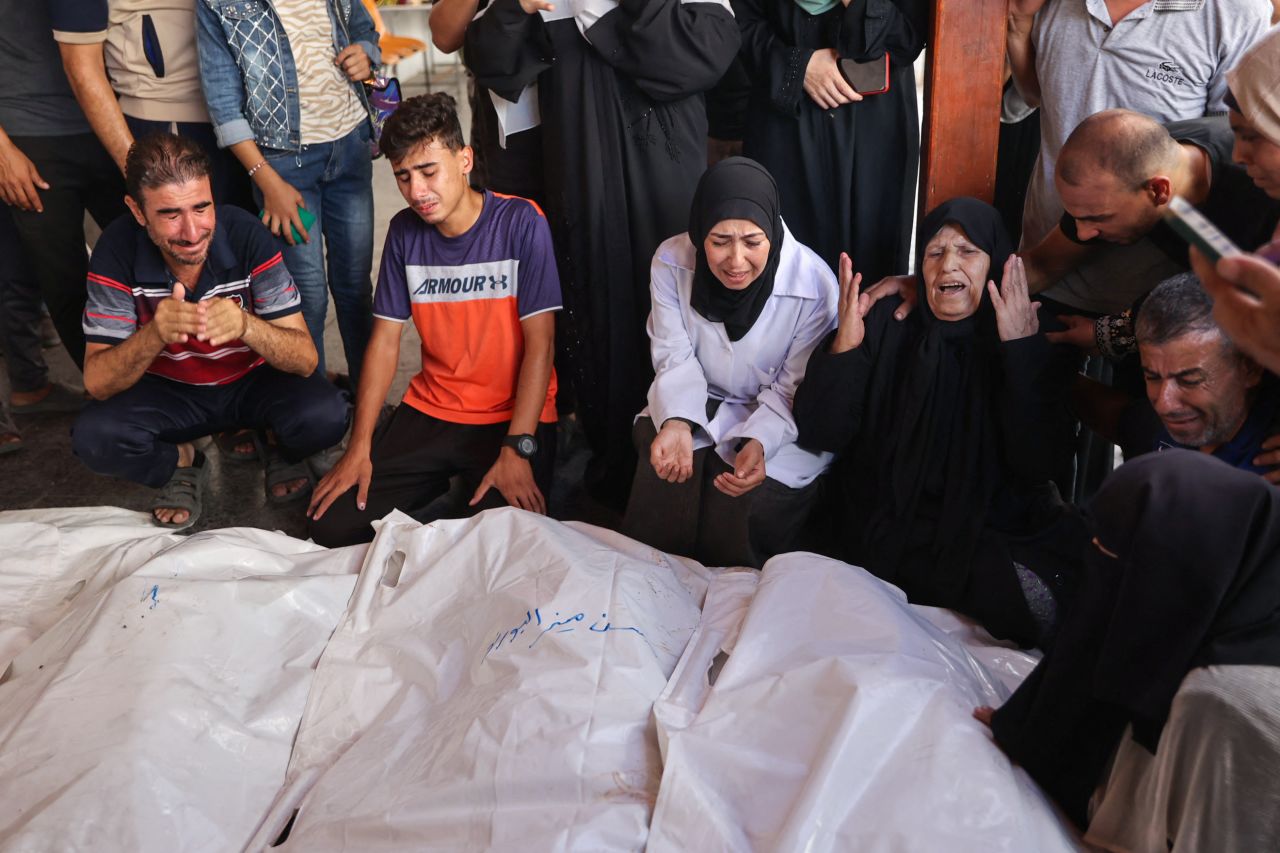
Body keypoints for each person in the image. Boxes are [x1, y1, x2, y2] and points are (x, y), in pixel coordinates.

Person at [464, 0, 740, 509]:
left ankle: (692, 458)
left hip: (663, 167)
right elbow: (491, 60)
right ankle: (618, 461)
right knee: (597, 313)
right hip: (580, 168)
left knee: (677, 301)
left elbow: (710, 51)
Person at [794, 198, 1078, 646]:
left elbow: (1040, 464)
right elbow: (821, 431)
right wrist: (844, 348)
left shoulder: (1026, 327)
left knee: (1038, 614)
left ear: (994, 264)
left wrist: (1019, 352)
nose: (948, 264)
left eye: (967, 251)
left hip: (982, 529)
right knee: (817, 605)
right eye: (934, 252)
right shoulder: (890, 321)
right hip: (882, 520)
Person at [981, 450, 1280, 834]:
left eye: (1118, 557)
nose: (1104, 577)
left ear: (1176, 568)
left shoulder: (1224, 697)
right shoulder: (1238, 591)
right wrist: (1025, 729)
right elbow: (1091, 646)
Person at [308, 94, 560, 548]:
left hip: (511, 416)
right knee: (330, 524)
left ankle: (471, 479)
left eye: (428, 171)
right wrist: (358, 446)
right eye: (403, 177)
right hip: (434, 408)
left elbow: (540, 345)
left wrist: (518, 446)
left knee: (500, 545)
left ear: (464, 159)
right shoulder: (405, 232)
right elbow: (385, 343)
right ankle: (448, 478)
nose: (417, 191)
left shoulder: (522, 221)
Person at [71, 133, 348, 529]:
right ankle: (184, 460)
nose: (192, 231)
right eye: (169, 214)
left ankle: (273, 443)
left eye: (202, 207)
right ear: (137, 211)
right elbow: (97, 382)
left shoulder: (245, 233)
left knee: (327, 414)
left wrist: (245, 325)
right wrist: (154, 334)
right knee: (95, 437)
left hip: (251, 382)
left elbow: (305, 360)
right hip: (171, 394)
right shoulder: (115, 251)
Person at [621, 157, 837, 568]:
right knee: (663, 458)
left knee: (751, 499)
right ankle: (655, 587)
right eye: (719, 241)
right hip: (701, 397)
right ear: (700, 231)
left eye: (753, 242)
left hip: (779, 413)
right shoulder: (670, 261)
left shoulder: (815, 286)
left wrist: (759, 440)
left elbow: (795, 386)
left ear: (772, 232)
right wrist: (678, 421)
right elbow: (674, 354)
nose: (736, 261)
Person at [195, 0, 380, 385]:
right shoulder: (216, 3)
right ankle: (317, 411)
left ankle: (369, 404)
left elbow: (363, 27)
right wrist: (267, 181)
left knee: (355, 288)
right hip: (284, 170)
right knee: (305, 298)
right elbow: (224, 106)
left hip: (351, 151)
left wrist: (367, 53)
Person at [731, 0, 926, 282]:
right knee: (787, 265)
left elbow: (907, 38)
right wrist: (800, 67)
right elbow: (740, 27)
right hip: (785, 117)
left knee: (870, 271)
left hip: (875, 123)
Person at [0, 0, 127, 369]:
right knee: (65, 283)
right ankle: (106, 397)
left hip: (115, 123)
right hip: (28, 138)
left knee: (155, 260)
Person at [1072, 272, 1280, 479]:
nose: (1164, 404)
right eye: (1152, 377)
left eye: (1190, 381)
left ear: (1250, 370)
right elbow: (1124, 422)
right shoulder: (1154, 428)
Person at [48, 0, 252, 210]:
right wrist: (137, 172)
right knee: (187, 234)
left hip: (252, 122)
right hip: (165, 122)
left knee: (247, 234)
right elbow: (82, 67)